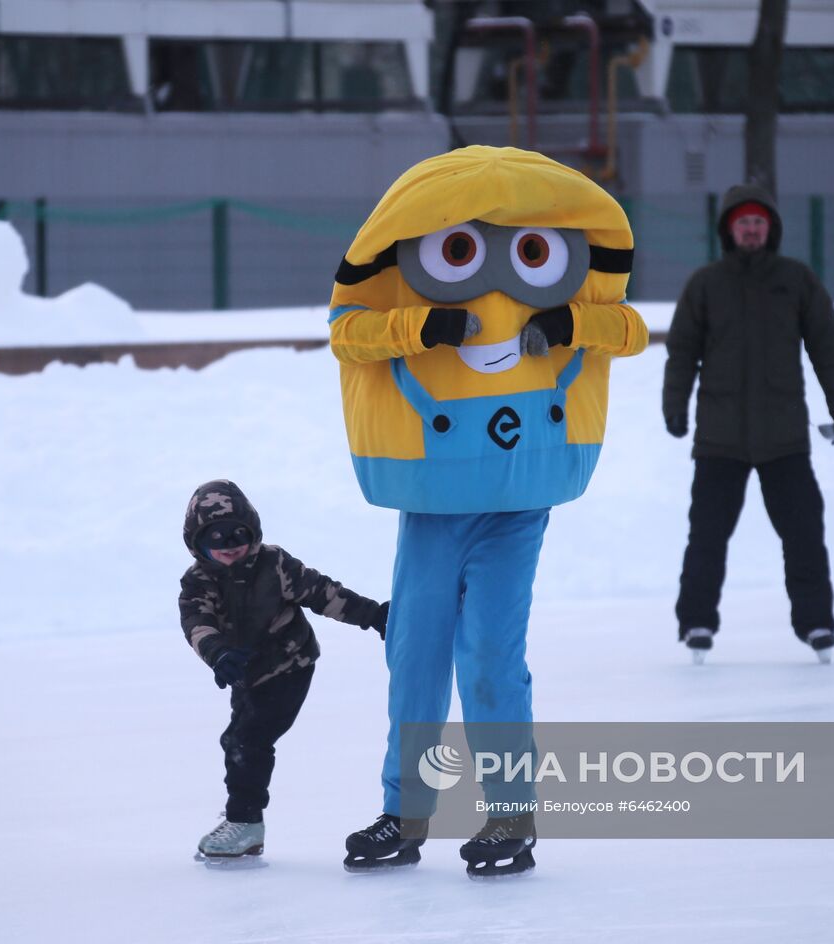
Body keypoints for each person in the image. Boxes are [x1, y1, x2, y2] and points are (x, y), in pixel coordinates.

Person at [327, 146, 649, 876]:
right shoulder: (407, 294)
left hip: (513, 504)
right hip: (435, 503)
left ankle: (510, 817)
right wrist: (421, 327)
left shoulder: (569, 297)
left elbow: (629, 329)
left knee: (490, 658)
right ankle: (406, 814)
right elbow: (347, 333)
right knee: (415, 655)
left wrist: (571, 324)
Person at [662, 183, 834, 665]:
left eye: (758, 222)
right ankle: (696, 622)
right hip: (720, 438)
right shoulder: (706, 285)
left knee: (804, 533)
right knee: (706, 535)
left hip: (783, 436)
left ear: (770, 229)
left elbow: (826, 346)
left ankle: (816, 624)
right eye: (743, 222)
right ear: (729, 229)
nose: (751, 229)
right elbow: (682, 351)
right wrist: (675, 406)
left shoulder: (796, 281)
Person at [180, 479, 388, 861]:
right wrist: (218, 654)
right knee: (236, 740)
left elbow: (323, 593)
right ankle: (246, 823)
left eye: (238, 535)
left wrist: (374, 615)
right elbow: (197, 622)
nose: (229, 547)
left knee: (248, 741)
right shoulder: (199, 580)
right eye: (217, 539)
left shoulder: (274, 565)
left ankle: (245, 822)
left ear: (253, 530)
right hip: (244, 673)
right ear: (198, 542)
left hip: (290, 664)